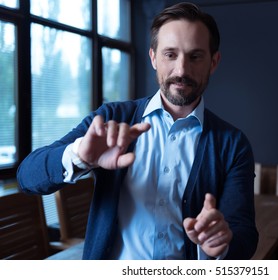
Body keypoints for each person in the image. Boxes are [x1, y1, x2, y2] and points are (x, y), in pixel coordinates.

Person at [17, 2, 258, 260]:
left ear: (213, 62)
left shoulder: (233, 144)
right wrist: (80, 157)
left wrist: (221, 245)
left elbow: (244, 233)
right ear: (153, 57)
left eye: (195, 56)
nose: (181, 70)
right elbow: (27, 177)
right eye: (170, 54)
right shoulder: (111, 118)